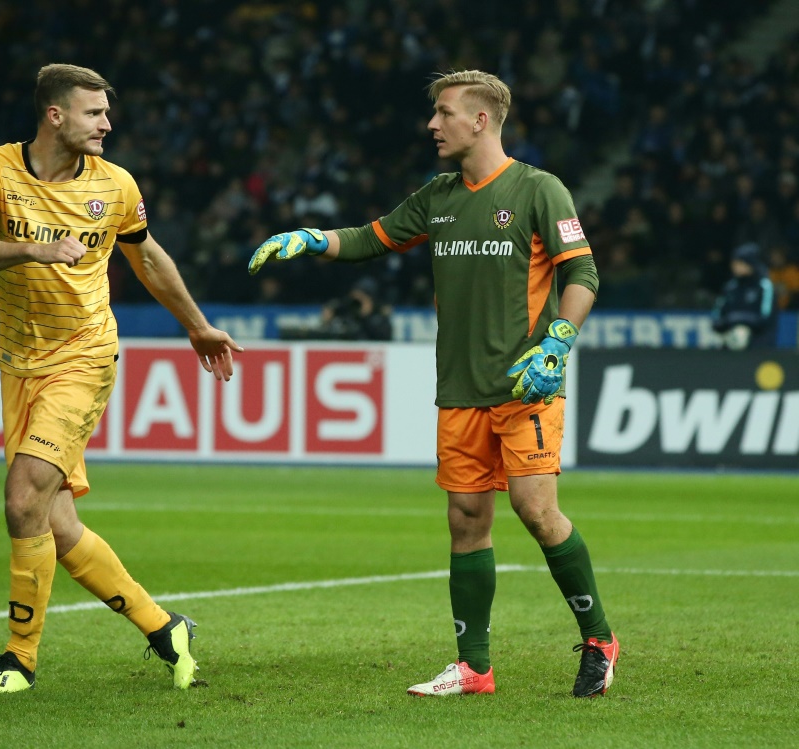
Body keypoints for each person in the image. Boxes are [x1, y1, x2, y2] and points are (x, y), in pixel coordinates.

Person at [248, 69, 618, 698]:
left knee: (536, 510)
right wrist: (313, 239)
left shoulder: (538, 189)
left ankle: (600, 640)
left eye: (444, 112)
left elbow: (582, 272)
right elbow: (373, 238)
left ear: (481, 120)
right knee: (466, 519)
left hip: (526, 384)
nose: (432, 124)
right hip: (459, 390)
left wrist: (558, 342)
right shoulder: (437, 196)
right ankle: (474, 668)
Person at [0, 63, 243, 694]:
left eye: (107, 112)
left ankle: (18, 659)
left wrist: (196, 324)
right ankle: (165, 628)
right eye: (95, 113)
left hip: (84, 357)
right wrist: (32, 248)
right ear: (55, 115)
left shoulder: (116, 185)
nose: (107, 123)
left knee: (22, 498)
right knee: (54, 523)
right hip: (19, 362)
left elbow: (147, 255)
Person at [711, 242, 777, 349]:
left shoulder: (764, 286)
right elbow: (717, 317)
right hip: (729, 348)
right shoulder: (730, 287)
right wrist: (729, 325)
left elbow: (766, 318)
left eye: (739, 263)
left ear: (750, 264)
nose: (734, 266)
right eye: (734, 263)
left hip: (758, 348)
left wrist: (740, 322)